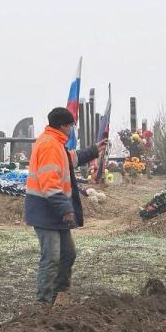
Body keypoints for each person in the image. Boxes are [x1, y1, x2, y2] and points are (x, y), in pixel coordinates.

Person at [24, 107, 106, 305]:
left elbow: (71, 159)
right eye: (71, 125)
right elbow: (49, 183)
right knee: (51, 257)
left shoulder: (55, 143)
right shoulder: (50, 146)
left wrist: (95, 150)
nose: (72, 129)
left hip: (54, 211)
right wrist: (66, 209)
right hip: (46, 211)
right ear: (63, 126)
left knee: (68, 254)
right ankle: (43, 304)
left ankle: (60, 297)